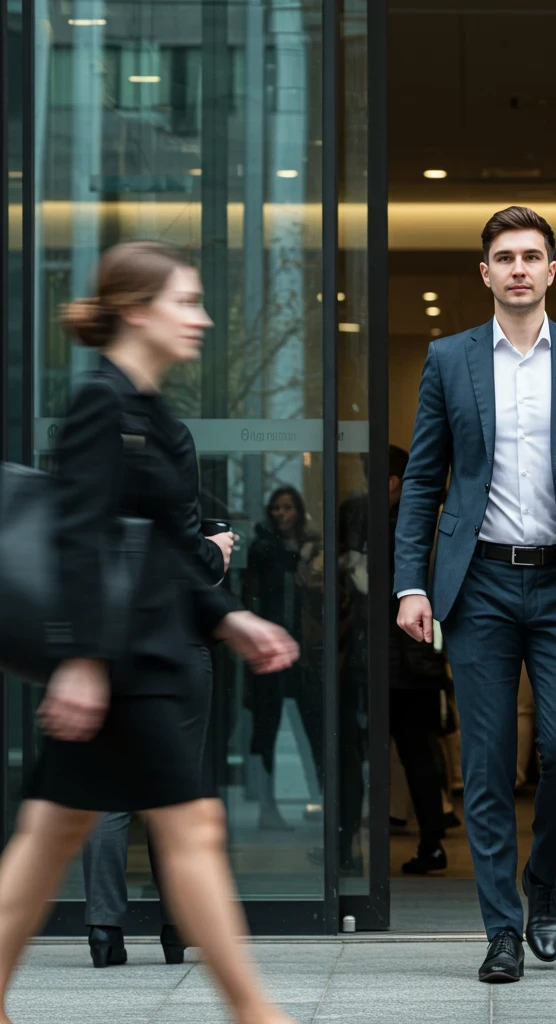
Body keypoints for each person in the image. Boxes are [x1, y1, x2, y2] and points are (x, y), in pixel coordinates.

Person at [0, 241, 299, 1024]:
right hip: (122, 667)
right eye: (185, 302)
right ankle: (255, 1013)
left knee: (46, 841)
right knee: (189, 829)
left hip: (142, 655)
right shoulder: (103, 403)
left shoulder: (150, 409)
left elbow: (162, 549)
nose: (200, 318)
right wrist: (84, 661)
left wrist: (228, 616)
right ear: (137, 311)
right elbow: (81, 536)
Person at [394, 205, 556, 982]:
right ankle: (502, 927)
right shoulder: (448, 359)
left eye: (530, 256)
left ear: (550, 270)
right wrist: (412, 582)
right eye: (503, 256)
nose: (517, 268)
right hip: (479, 586)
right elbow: (423, 486)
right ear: (485, 272)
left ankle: (543, 878)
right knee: (487, 760)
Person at [82, 420, 235, 968]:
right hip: (175, 648)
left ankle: (104, 930)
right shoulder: (169, 447)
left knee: (109, 793)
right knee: (173, 791)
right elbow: (180, 558)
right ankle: (178, 928)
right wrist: (216, 550)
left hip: (105, 648)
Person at [243, 486, 323, 830]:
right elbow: (252, 596)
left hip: (306, 655)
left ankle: (322, 803)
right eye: (275, 507)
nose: (281, 513)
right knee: (266, 731)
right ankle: (267, 808)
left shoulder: (313, 549)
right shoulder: (262, 549)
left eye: (287, 507)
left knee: (314, 731)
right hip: (270, 649)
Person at [387, 444, 450, 874]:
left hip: (406, 661)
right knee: (419, 753)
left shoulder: (406, 527)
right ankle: (432, 839)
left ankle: (431, 840)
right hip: (418, 661)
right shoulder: (427, 525)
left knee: (414, 753)